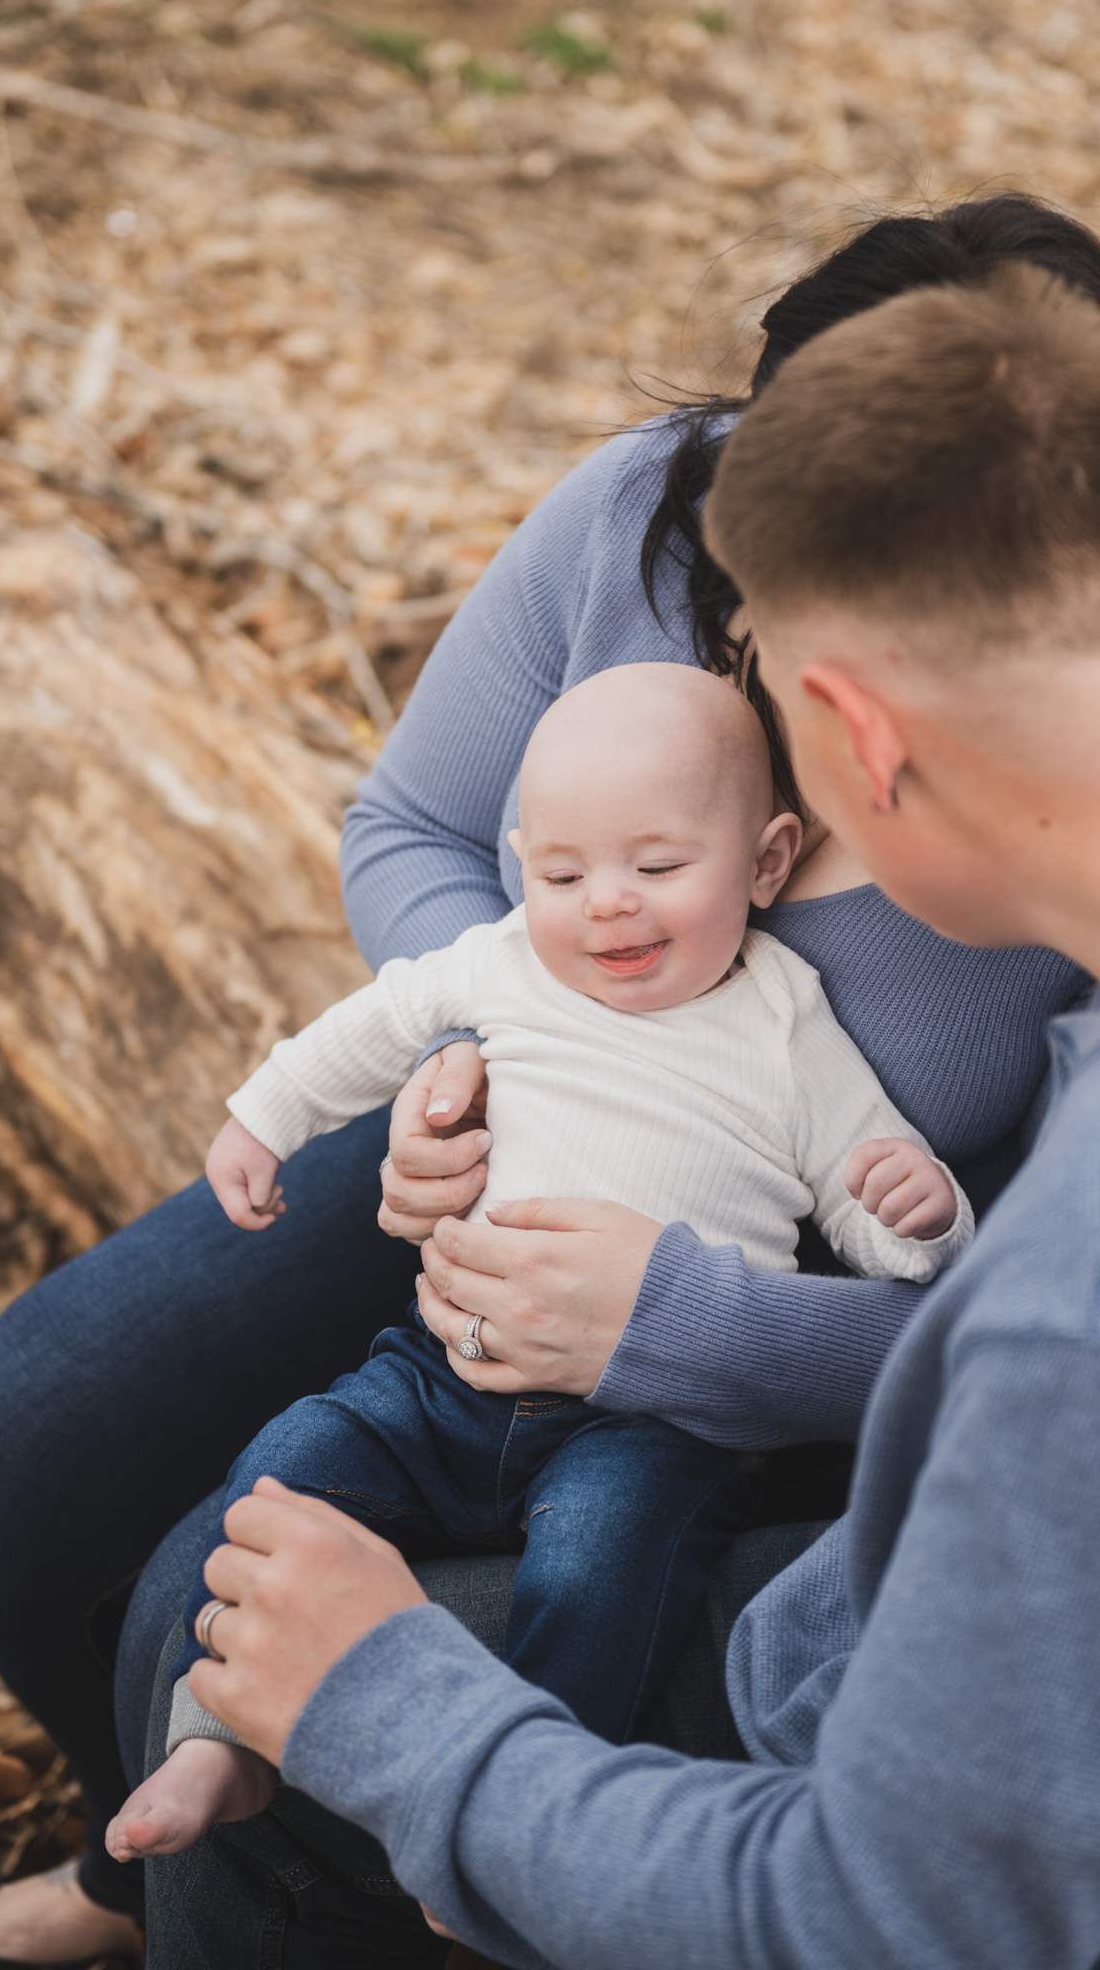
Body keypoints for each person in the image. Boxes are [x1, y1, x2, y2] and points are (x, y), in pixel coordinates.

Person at [0, 192, 1100, 1965]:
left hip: (777, 1334)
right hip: (541, 1170)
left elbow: (885, 1892)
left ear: (848, 745)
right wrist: (498, 1067)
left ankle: (226, 1867)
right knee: (59, 1446)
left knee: (211, 1614)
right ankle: (150, 1866)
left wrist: (410, 1712)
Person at [107, 663, 971, 1867]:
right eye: (563, 873)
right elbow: (371, 1023)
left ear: (768, 863)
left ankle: (527, 1826)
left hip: (659, 1419)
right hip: (445, 1376)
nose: (607, 905)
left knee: (601, 1565)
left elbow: (864, 1170)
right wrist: (265, 1115)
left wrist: (913, 1215)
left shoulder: (783, 1014)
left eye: (658, 868)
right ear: (522, 864)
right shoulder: (503, 959)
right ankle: (221, 1730)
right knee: (289, 1463)